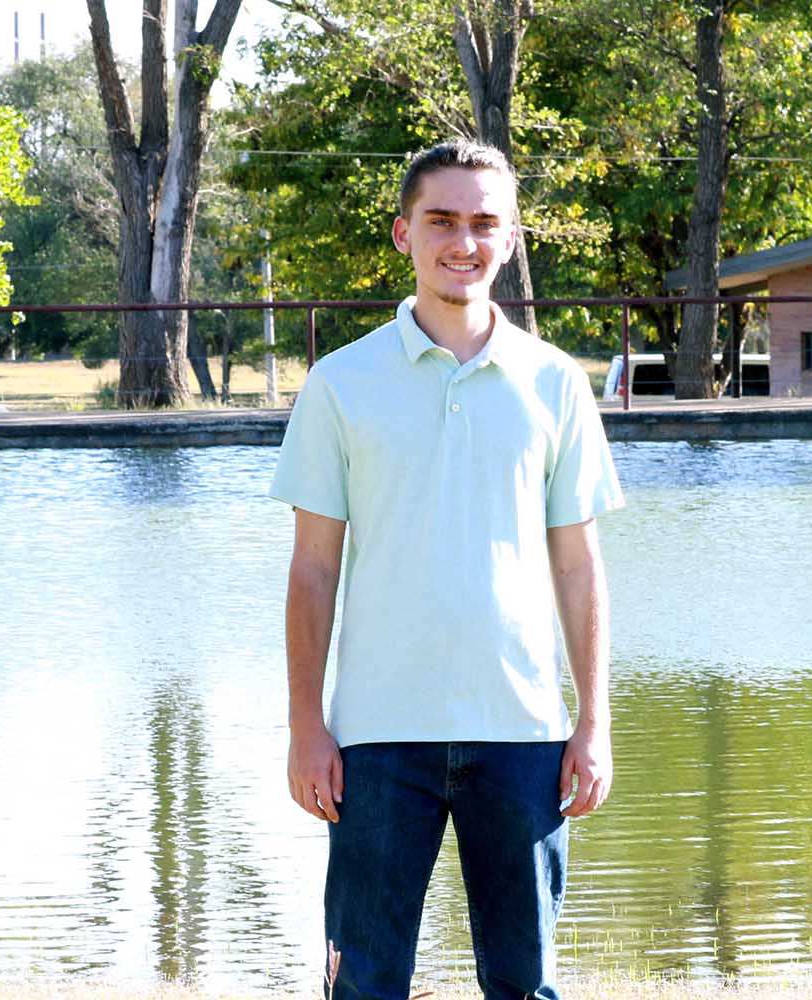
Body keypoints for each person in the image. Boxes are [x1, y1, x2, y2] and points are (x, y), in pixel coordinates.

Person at [269, 139, 625, 1000]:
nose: (462, 242)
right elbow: (313, 570)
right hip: (378, 736)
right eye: (442, 221)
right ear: (404, 234)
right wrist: (305, 726)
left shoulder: (554, 384)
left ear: (508, 240)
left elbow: (579, 567)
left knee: (526, 986)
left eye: (483, 223)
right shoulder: (340, 383)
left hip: (527, 733)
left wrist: (594, 720)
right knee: (364, 985)